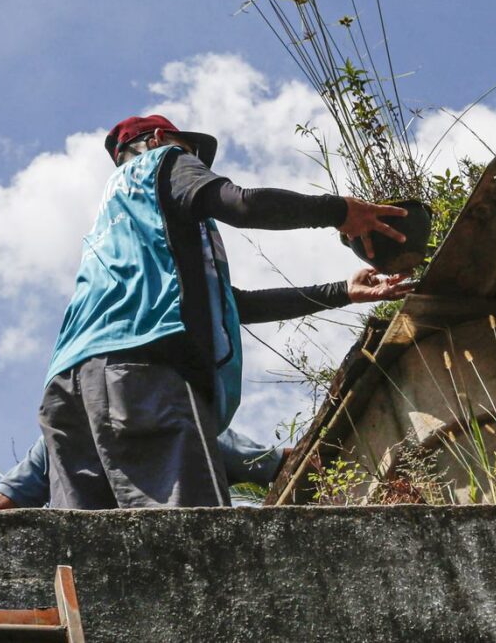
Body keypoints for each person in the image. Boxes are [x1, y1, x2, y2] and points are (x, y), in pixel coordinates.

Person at [40, 114, 412, 509]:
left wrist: (341, 291)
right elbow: (243, 204)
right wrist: (340, 212)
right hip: (139, 376)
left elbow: (232, 305)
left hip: (66, 393)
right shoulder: (162, 162)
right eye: (190, 152)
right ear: (160, 138)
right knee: (192, 537)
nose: (196, 166)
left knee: (88, 554)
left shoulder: (116, 222)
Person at [0, 429, 284, 508]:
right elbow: (273, 463)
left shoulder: (58, 434)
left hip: (82, 580)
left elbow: (2, 505)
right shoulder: (178, 407)